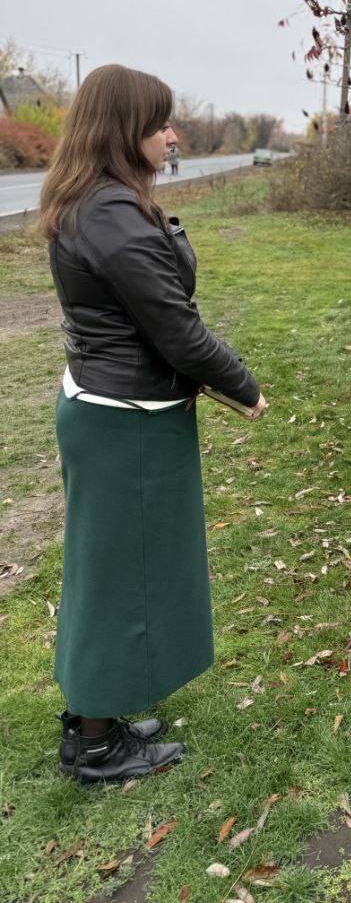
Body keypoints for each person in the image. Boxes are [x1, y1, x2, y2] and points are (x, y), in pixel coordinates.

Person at [38, 65, 267, 785]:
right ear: (122, 131)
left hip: (113, 411)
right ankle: (98, 744)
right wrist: (246, 390)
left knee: (109, 570)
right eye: (160, 123)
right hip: (126, 424)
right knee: (121, 580)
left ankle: (92, 710)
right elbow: (176, 329)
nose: (173, 135)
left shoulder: (101, 200)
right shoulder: (108, 213)